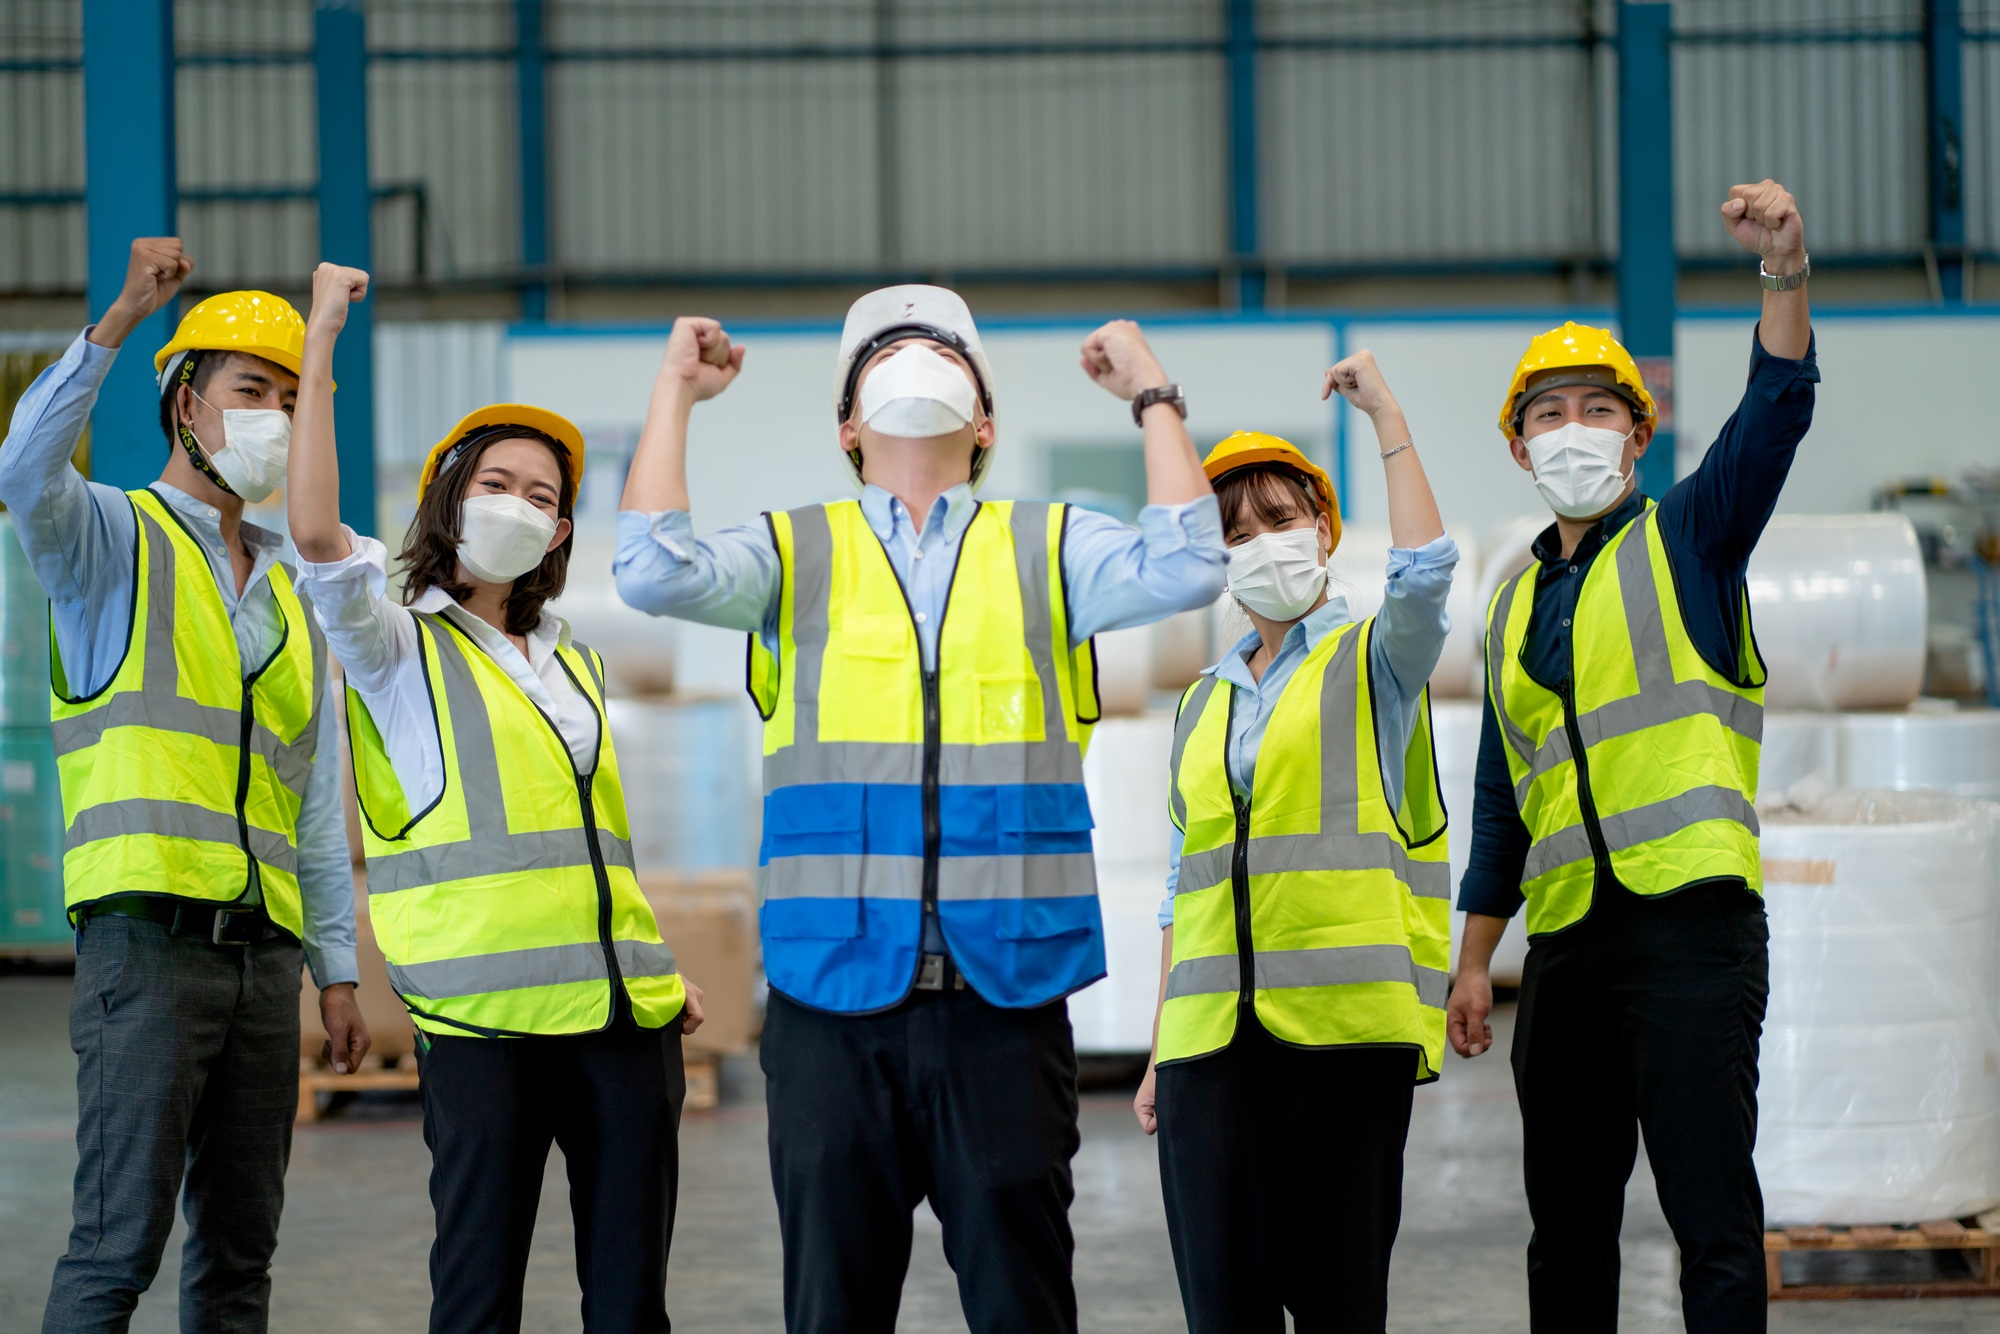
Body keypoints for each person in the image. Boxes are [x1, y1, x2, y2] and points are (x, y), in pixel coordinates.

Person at [614, 286, 1225, 1333]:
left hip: (1004, 1000)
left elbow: (1190, 564)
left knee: (1022, 1305)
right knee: (833, 1308)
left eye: (940, 353)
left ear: (984, 423)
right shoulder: (791, 553)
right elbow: (649, 571)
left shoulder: (1048, 546)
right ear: (845, 428)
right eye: (886, 354)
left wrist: (1151, 394)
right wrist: (675, 389)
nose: (913, 361)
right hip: (829, 1002)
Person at [286, 263, 703, 1334]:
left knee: (631, 1304)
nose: (518, 505)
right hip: (484, 1029)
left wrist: (652, 969)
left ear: (560, 535)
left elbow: (594, 847)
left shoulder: (577, 663)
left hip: (623, 1021)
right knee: (476, 1301)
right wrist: (321, 342)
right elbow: (318, 537)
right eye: (495, 483)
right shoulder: (392, 645)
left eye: (542, 496)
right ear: (448, 498)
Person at [1446, 180, 1816, 1333]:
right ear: (1518, 444)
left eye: (1595, 409)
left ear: (1637, 433)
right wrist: (1474, 959)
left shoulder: (1688, 538)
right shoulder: (1508, 606)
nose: (1572, 429)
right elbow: (1502, 796)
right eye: (1547, 413)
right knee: (1564, 1233)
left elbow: (1773, 409)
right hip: (1563, 953)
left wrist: (1782, 271)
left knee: (1710, 1223)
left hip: (1689, 933)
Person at [0, 237, 368, 1333]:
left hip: (265, 961)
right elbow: (23, 472)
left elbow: (312, 804)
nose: (274, 418)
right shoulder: (108, 538)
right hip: (146, 944)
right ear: (185, 405)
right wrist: (117, 320)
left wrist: (336, 973)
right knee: (117, 1247)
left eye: (292, 401)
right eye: (252, 390)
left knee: (240, 1257)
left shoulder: (295, 591)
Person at [1131, 352, 1457, 1332]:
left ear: (1322, 526)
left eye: (1278, 519)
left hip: (1341, 1043)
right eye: (1235, 533)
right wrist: (1159, 1045)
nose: (1261, 544)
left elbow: (1425, 575)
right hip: (1207, 1050)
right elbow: (1181, 889)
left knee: (1337, 1308)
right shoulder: (1201, 702)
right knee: (1220, 1313)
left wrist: (1387, 420)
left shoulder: (1376, 660)